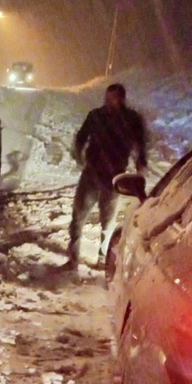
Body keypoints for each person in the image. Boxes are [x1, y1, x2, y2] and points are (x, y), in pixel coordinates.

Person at [66, 83, 147, 268]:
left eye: (114, 98)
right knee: (78, 215)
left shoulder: (132, 119)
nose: (110, 102)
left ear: (122, 99)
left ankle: (103, 259)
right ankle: (72, 258)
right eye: (108, 98)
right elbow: (81, 137)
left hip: (114, 177)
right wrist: (79, 155)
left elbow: (140, 144)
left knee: (108, 222)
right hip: (91, 173)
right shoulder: (96, 116)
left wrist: (141, 163)